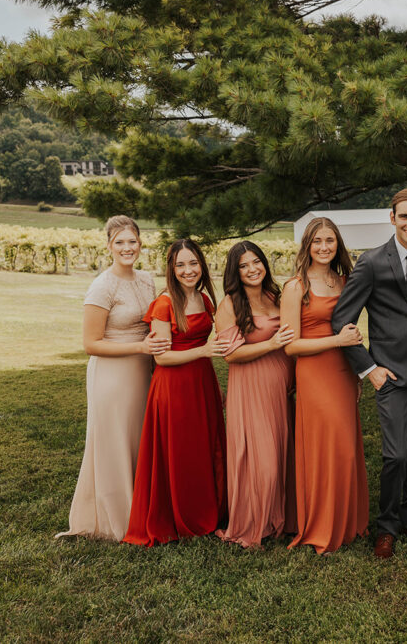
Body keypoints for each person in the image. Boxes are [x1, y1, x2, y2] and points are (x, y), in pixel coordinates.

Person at [331, 187, 407, 559]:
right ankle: (387, 526)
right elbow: (341, 321)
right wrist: (369, 369)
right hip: (390, 374)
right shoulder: (372, 262)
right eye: (404, 216)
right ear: (392, 217)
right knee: (395, 455)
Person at [57, 215, 169, 541]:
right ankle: (115, 519)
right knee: (114, 442)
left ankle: (142, 509)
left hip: (143, 372)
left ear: (140, 244)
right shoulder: (102, 286)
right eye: (119, 242)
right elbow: (90, 344)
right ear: (108, 247)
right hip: (112, 376)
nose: (127, 248)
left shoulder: (147, 279)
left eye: (132, 241)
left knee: (138, 440)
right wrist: (140, 346)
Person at [122, 239, 229, 546]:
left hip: (202, 382)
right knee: (181, 451)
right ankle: (181, 516)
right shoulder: (164, 304)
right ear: (171, 269)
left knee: (205, 448)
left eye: (193, 263)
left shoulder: (206, 301)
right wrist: (204, 350)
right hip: (173, 387)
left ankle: (207, 511)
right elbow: (162, 358)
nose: (187, 270)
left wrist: (216, 383)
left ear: (202, 265)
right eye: (180, 265)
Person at [283, 218, 368, 554]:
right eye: (317, 241)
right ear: (307, 245)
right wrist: (336, 341)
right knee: (324, 448)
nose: (323, 247)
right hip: (315, 373)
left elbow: (350, 333)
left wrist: (358, 372)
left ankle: (349, 521)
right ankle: (321, 526)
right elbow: (291, 346)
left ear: (338, 245)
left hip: (343, 372)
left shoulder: (345, 281)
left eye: (329, 241)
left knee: (346, 449)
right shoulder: (295, 287)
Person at [214, 241, 296, 549]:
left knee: (281, 452)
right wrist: (272, 344)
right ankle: (252, 523)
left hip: (280, 389)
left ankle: (282, 519)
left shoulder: (274, 296)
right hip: (250, 388)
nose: (252, 269)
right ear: (235, 272)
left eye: (256, 262)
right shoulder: (229, 305)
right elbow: (231, 355)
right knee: (261, 460)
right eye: (244, 265)